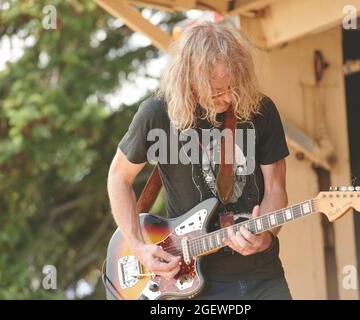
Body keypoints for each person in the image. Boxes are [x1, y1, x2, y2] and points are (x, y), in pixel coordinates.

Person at [107, 21, 292, 300]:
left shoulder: (260, 110)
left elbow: (276, 188)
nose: (229, 98)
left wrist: (266, 233)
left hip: (263, 275)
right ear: (190, 81)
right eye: (217, 91)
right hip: (191, 281)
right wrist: (139, 247)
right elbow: (119, 178)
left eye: (234, 86)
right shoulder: (157, 114)